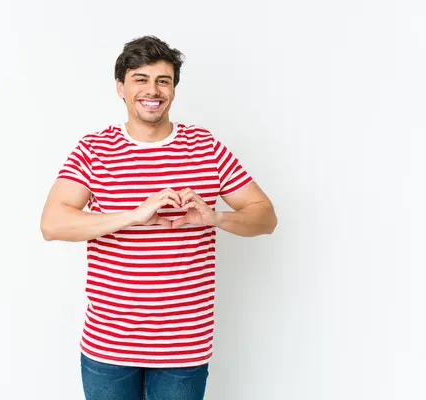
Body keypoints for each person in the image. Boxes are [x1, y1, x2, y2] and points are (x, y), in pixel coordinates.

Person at [40, 35, 277, 400]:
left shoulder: (205, 148)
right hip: (109, 344)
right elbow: (52, 224)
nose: (153, 90)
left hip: (183, 346)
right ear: (121, 87)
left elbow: (265, 217)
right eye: (140, 79)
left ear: (174, 90)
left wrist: (215, 218)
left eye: (163, 80)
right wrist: (133, 216)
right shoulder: (94, 149)